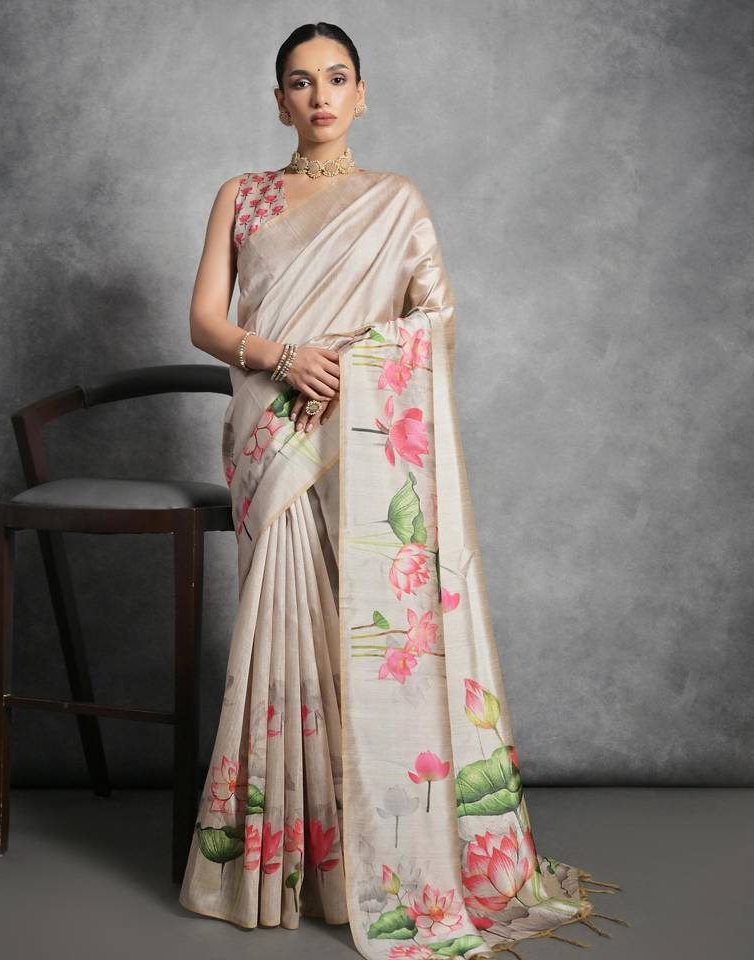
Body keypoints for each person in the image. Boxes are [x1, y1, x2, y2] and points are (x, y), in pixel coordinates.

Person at [178, 21, 627, 960]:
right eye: (300, 82)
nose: (320, 96)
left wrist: (349, 364)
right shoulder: (241, 196)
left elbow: (435, 321)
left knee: (362, 636)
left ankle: (360, 862)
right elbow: (206, 322)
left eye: (336, 78)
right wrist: (283, 358)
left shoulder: (396, 201)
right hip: (270, 432)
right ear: (278, 102)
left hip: (358, 436)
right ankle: (278, 864)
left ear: (362, 93)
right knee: (280, 628)